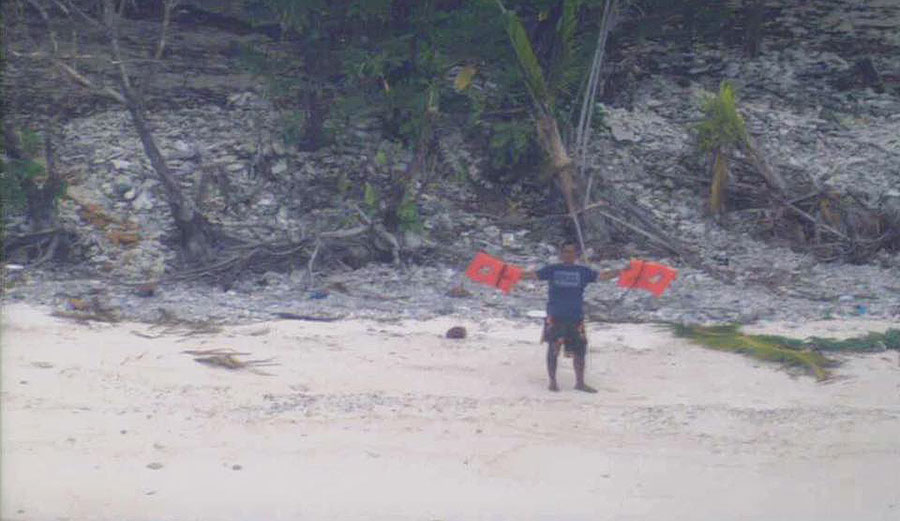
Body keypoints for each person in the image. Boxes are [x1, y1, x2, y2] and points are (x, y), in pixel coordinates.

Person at [522, 241, 618, 393]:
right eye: (565, 251)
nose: (568, 254)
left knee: (580, 351)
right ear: (561, 254)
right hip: (555, 315)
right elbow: (531, 275)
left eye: (571, 252)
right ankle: (553, 382)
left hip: (575, 316)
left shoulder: (583, 271)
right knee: (553, 348)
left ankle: (580, 383)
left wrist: (622, 271)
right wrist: (507, 272)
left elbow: (603, 276)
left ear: (577, 255)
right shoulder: (552, 269)